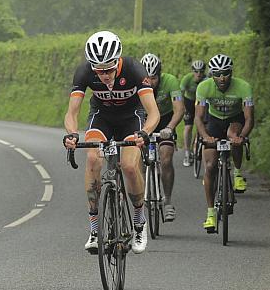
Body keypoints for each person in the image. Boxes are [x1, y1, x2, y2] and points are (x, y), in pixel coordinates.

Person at [63, 31, 160, 254]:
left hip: (131, 118)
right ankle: (94, 229)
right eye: (99, 71)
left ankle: (139, 222)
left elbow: (153, 112)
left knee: (129, 166)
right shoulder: (84, 71)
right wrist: (72, 133)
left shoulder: (134, 69)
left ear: (117, 61)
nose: (105, 75)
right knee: (92, 159)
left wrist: (145, 132)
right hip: (102, 117)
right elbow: (72, 112)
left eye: (108, 69)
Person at [194, 53, 254, 232]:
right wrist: (205, 136)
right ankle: (210, 213)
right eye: (217, 74)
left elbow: (249, 118)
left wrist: (242, 137)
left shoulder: (243, 87)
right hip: (214, 122)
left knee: (233, 135)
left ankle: (237, 173)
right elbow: (198, 117)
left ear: (231, 72)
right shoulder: (204, 87)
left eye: (226, 73)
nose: (222, 78)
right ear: (211, 74)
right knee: (210, 166)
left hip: (235, 120)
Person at [140, 53, 184, 222]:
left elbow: (179, 109)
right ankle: (142, 194)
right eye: (147, 78)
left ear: (160, 75)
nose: (150, 82)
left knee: (166, 159)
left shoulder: (170, 81)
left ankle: (168, 201)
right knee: (138, 159)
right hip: (144, 120)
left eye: (154, 78)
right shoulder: (136, 82)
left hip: (165, 121)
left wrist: (170, 128)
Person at [179, 60, 207, 166]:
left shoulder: (206, 80)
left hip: (202, 103)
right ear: (192, 71)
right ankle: (187, 152)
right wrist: (182, 107)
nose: (198, 74)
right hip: (189, 102)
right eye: (196, 71)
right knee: (188, 126)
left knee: (202, 125)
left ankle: (196, 144)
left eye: (201, 71)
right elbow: (180, 94)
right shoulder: (187, 79)